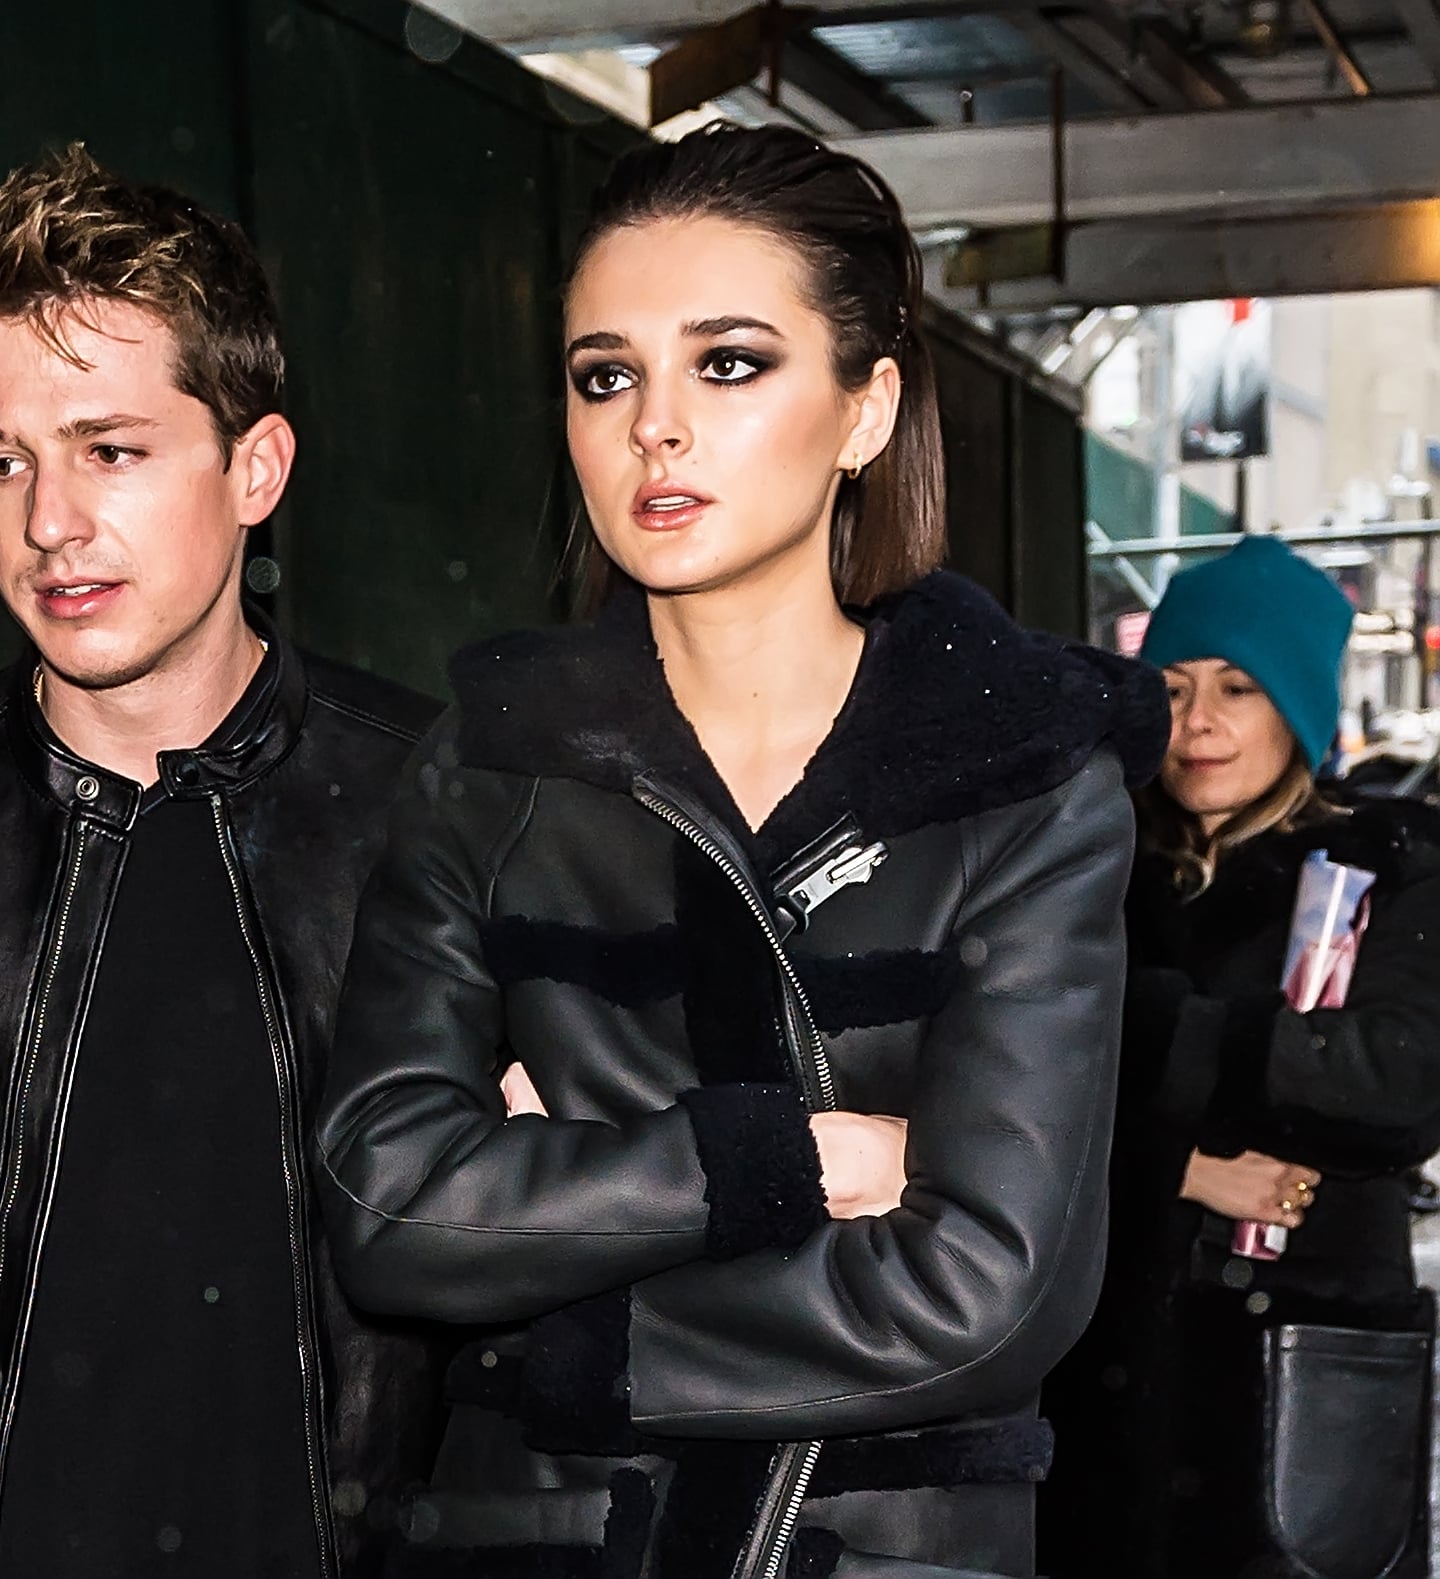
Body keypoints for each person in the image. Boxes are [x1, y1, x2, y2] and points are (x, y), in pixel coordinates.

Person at [315, 124, 1167, 1579]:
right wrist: (784, 1159)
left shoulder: (1023, 781)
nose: (656, 423)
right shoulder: (490, 767)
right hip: (536, 1543)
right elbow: (392, 1206)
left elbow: (993, 1294)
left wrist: (559, 1288)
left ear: (866, 406)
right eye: (606, 374)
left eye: (729, 361)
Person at [0, 144, 445, 1579]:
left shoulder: (443, 808)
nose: (47, 521)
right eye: (4, 459)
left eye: (110, 450)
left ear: (256, 467)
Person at [1041, 535, 1440, 1579]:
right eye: (1169, 687)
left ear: (1297, 705)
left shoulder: (1386, 865)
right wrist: (1178, 1167)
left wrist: (1148, 1032)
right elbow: (1005, 1092)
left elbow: (1394, 1083)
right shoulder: (1091, 867)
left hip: (1307, 1379)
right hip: (1109, 1378)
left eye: (1236, 686)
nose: (1196, 721)